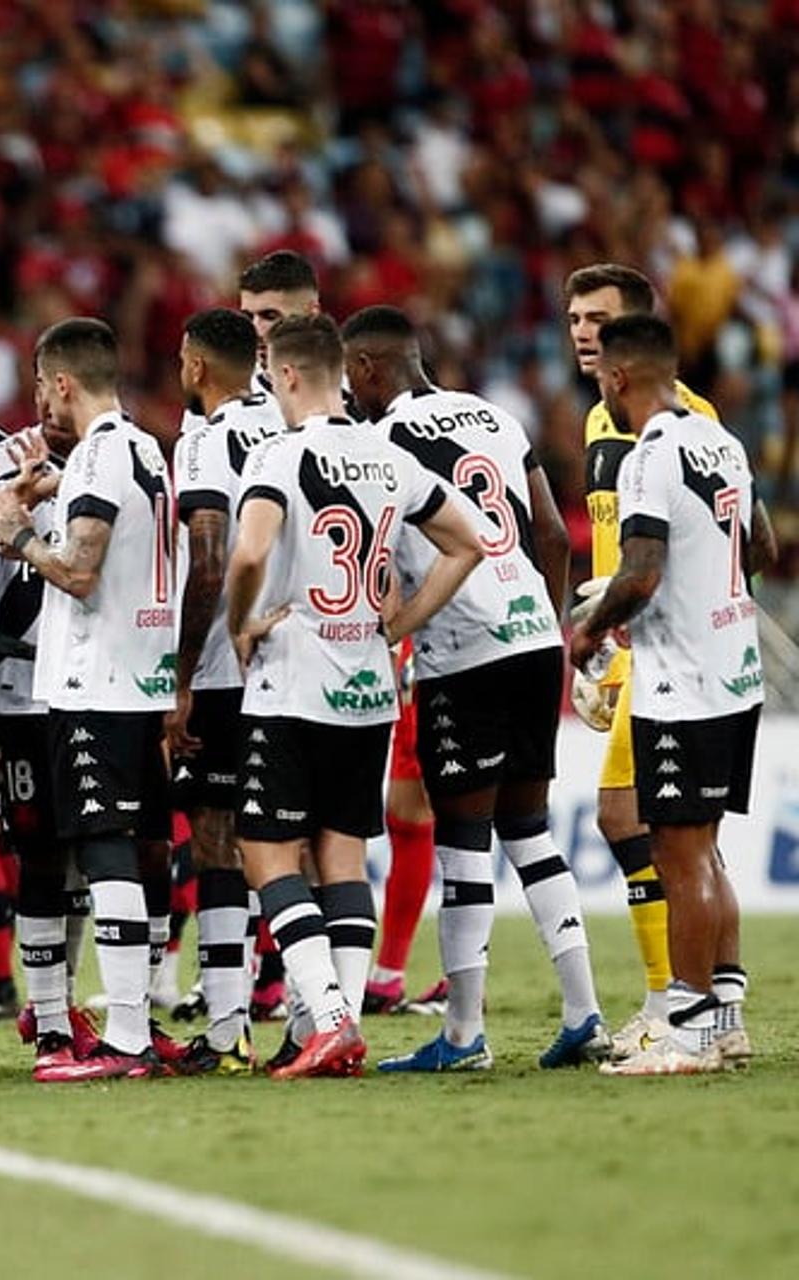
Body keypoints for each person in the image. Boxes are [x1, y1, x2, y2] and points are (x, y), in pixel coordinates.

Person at [338, 305, 608, 1073]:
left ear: (366, 370)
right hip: (532, 637)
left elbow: (379, 558)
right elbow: (552, 534)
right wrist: (544, 625)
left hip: (464, 651)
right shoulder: (493, 414)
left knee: (463, 843)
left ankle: (461, 1035)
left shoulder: (380, 442)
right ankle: (584, 1011)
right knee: (529, 832)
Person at [224, 314, 482, 1079]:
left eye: (270, 373)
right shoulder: (387, 455)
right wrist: (399, 622)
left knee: (266, 850)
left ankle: (331, 1019)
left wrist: (241, 623)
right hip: (368, 685)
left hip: (294, 679)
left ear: (289, 375)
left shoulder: (279, 455)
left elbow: (249, 552)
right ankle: (334, 1020)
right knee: (340, 853)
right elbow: (467, 544)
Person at [570, 314, 773, 1077]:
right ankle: (720, 1017)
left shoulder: (648, 456)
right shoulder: (723, 441)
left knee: (678, 856)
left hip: (680, 683)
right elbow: (763, 548)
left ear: (619, 379)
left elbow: (643, 570)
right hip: (734, 669)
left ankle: (684, 1028)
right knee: (706, 852)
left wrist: (593, 627)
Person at [0, 318, 176, 1082]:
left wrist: (16, 533)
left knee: (102, 854)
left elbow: (78, 573)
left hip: (95, 683)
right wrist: (51, 494)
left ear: (62, 384)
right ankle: (136, 1030)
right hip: (142, 678)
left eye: (40, 386)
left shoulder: (99, 452)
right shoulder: (143, 447)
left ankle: (126, 1039)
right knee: (128, 852)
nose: (40, 403)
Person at [564, 264, 721, 1061]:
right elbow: (604, 545)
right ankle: (714, 1018)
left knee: (631, 819)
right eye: (574, 318)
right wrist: (593, 635)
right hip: (630, 649)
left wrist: (604, 629)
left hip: (671, 651)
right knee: (682, 836)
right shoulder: (600, 422)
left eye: (599, 318)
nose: (583, 332)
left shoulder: (681, 423)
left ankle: (674, 1007)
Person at [165, 307, 285, 1075]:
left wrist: (179, 677)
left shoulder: (208, 440)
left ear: (197, 366)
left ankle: (227, 1028)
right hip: (303, 658)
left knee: (216, 839)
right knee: (293, 839)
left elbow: (209, 560)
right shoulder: (288, 420)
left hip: (224, 665)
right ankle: (313, 1018)